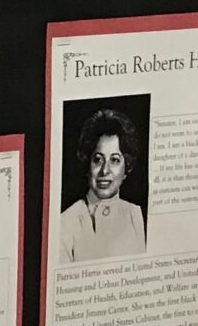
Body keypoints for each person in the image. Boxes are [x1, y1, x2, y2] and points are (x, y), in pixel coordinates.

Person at [56, 108, 147, 264]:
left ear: (127, 167)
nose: (105, 170)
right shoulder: (65, 222)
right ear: (87, 164)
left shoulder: (135, 215)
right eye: (98, 159)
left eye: (115, 160)